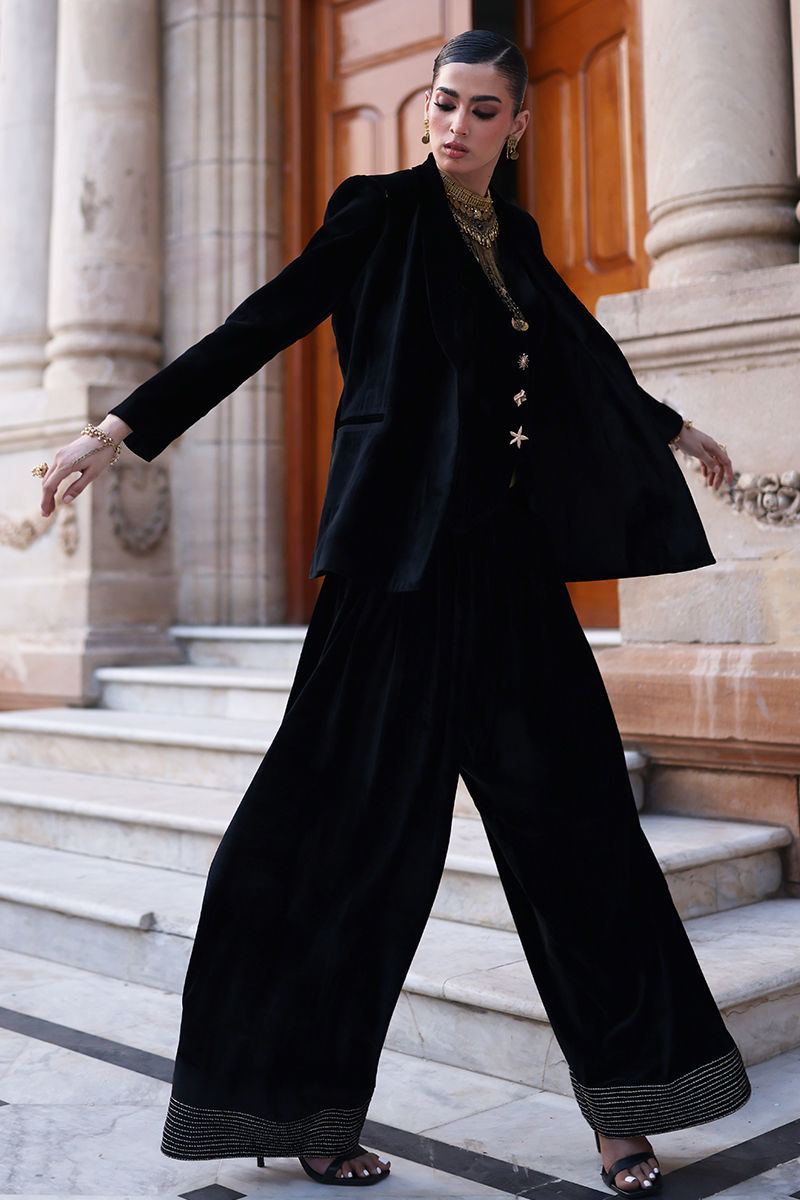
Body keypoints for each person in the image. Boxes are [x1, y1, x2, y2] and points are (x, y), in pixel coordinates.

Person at [36, 29, 749, 1197]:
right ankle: (304, 1111)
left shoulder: (516, 235)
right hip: (392, 575)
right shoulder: (375, 210)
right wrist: (116, 429)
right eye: (442, 102)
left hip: (510, 582)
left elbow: (576, 351)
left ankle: (630, 1111)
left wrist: (674, 429)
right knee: (336, 842)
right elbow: (262, 319)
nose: (453, 124)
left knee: (582, 837)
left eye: (480, 109)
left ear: (516, 124)